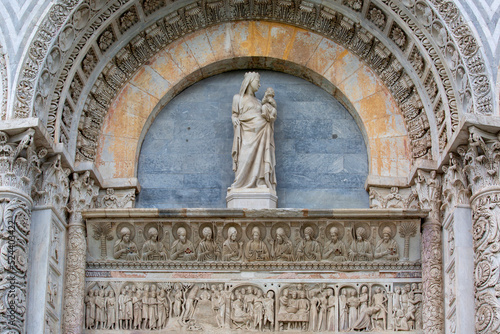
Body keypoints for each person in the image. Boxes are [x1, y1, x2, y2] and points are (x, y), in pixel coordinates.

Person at [230, 72, 277, 191]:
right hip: (247, 133)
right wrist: (234, 119)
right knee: (245, 156)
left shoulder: (259, 101)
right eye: (257, 81)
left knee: (261, 156)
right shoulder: (238, 98)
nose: (260, 85)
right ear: (250, 81)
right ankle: (240, 182)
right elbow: (235, 114)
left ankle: (260, 181)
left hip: (262, 133)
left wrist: (270, 108)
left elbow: (266, 114)